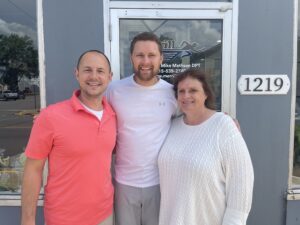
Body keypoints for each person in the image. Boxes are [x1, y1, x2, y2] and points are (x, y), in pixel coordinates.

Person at [21, 50, 116, 225]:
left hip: (105, 215)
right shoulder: (51, 117)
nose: (94, 76)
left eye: (100, 71)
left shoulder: (113, 115)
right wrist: (28, 219)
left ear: (110, 77)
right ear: (77, 74)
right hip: (64, 219)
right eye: (87, 70)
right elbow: (33, 170)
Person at [158, 68, 254, 225]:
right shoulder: (172, 126)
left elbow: (241, 184)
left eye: (193, 90)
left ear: (206, 94)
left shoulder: (223, 126)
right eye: (181, 91)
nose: (186, 96)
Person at [106, 32, 177, 225]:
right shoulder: (114, 90)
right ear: (131, 58)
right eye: (140, 55)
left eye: (151, 55)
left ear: (161, 58)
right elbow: (90, 116)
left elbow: (194, 120)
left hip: (160, 183)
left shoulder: (172, 93)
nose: (146, 61)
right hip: (123, 183)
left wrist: (222, 120)